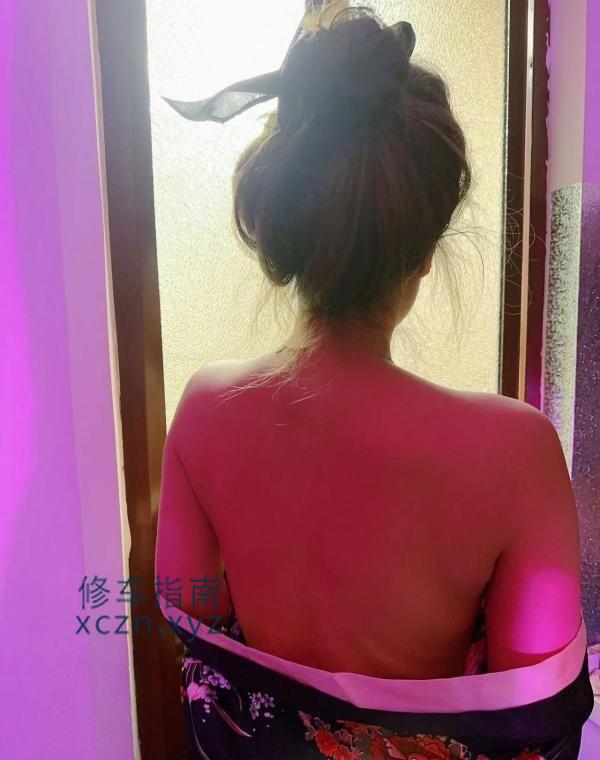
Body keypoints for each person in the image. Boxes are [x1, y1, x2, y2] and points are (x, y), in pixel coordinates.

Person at [155, 3, 593, 758]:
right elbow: (535, 712)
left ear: (279, 229)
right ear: (426, 251)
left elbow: (191, 617)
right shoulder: (516, 452)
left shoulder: (202, 410)